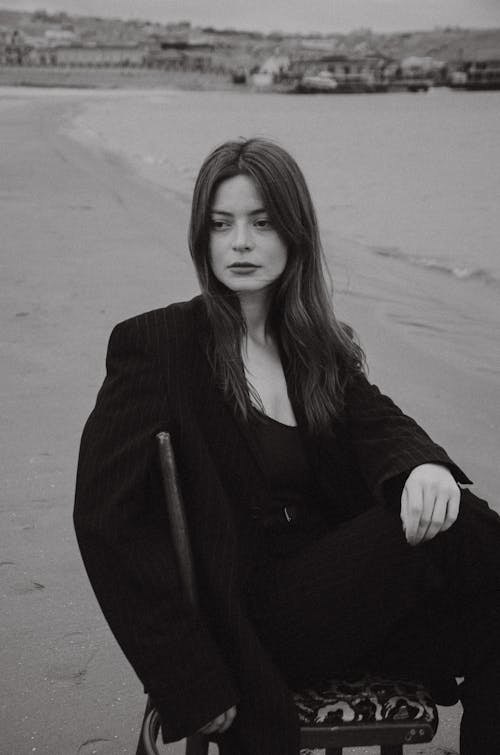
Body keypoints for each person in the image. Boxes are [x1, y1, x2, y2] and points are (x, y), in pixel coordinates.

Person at [74, 138, 500, 755]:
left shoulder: (314, 346)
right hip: (254, 620)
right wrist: (185, 675)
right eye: (222, 225)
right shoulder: (159, 345)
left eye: (262, 222)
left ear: (296, 233)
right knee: (455, 529)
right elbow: (105, 520)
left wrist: (424, 466)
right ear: (203, 238)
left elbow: (377, 422)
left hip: (341, 598)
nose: (240, 242)